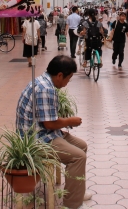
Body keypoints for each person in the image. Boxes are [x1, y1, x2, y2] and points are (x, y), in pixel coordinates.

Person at [15, 56, 91, 209]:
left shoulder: (44, 81)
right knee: (78, 157)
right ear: (60, 75)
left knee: (81, 146)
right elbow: (49, 123)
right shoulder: (46, 89)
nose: (68, 82)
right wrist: (70, 121)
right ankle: (72, 204)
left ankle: (76, 192)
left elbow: (48, 121)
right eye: (68, 78)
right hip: (36, 140)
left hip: (43, 132)